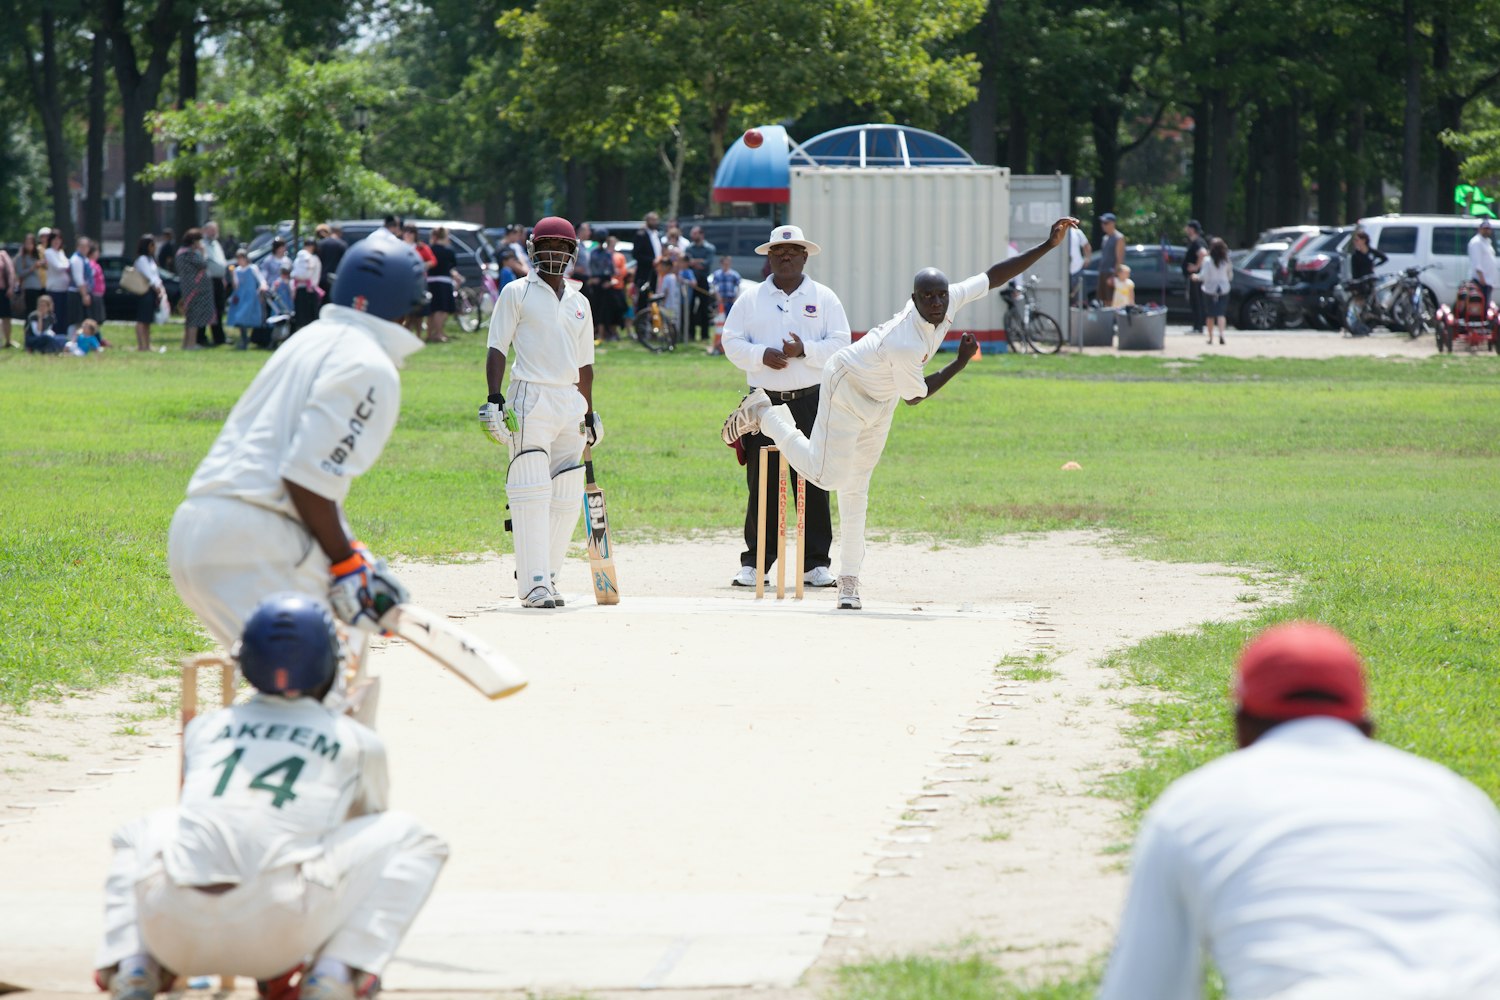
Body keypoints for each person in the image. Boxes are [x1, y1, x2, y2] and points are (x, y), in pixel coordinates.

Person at [1098, 621, 1500, 1000]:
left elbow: (1143, 989)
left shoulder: (1187, 810)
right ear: (1367, 727)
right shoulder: (1457, 800)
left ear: (1241, 726)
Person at [95, 592, 448, 1000]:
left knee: (140, 830)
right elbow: (360, 824)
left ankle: (132, 964)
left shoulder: (205, 728)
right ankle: (335, 973)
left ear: (245, 664)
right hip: (278, 934)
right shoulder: (357, 741)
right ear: (331, 668)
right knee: (413, 838)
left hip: (171, 932)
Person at [722, 218, 1078, 610]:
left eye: (942, 296)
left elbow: (993, 277)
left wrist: (1047, 245)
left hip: (881, 399)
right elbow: (917, 397)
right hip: (845, 386)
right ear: (914, 299)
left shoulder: (947, 299)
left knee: (856, 490)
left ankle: (849, 583)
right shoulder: (905, 343)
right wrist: (959, 364)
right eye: (928, 298)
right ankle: (764, 414)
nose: (938, 304)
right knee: (827, 476)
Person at [166, 232, 430, 651]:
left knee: (277, 687)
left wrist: (351, 549)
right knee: (327, 688)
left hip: (194, 531)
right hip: (255, 543)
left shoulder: (308, 340)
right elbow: (306, 478)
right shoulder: (369, 363)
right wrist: (345, 562)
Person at [719, 224, 849, 591]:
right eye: (779, 252)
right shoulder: (750, 298)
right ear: (769, 257)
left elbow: (841, 341)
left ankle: (815, 564)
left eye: (793, 252)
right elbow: (730, 341)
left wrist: (803, 350)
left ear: (805, 256)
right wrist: (761, 354)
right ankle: (757, 564)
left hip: (810, 399)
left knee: (813, 478)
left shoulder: (824, 298)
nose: (786, 257)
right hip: (764, 404)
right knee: (762, 483)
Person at [478, 216, 599, 609]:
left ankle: (549, 576)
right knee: (531, 489)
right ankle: (531, 585)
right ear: (534, 249)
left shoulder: (580, 301)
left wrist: (590, 413)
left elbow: (586, 366)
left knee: (566, 491)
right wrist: (494, 398)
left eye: (562, 248)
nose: (555, 253)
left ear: (572, 253)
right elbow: (498, 347)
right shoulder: (517, 292)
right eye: (547, 246)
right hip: (530, 396)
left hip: (569, 400)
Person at [176, 229, 217, 351]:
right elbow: (203, 264)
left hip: (191, 288)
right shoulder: (188, 254)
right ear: (193, 241)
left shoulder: (182, 253)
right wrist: (203, 252)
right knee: (194, 317)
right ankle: (191, 344)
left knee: (190, 317)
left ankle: (186, 343)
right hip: (196, 289)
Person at [226, 248, 269, 350]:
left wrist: (263, 286)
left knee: (247, 317)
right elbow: (236, 286)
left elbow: (261, 279)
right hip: (240, 296)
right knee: (240, 318)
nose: (240, 261)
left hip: (250, 296)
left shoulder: (252, 268)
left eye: (242, 258)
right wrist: (232, 275)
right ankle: (244, 339)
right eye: (238, 259)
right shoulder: (237, 270)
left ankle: (249, 339)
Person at [132, 236, 168, 353]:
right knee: (142, 319)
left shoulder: (150, 259)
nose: (154, 248)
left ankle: (147, 344)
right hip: (144, 291)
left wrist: (160, 288)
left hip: (152, 291)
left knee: (147, 320)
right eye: (152, 245)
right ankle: (141, 345)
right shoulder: (142, 260)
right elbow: (149, 276)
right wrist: (157, 287)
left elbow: (156, 276)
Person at [426, 227, 461, 344]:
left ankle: (430, 334)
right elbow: (451, 266)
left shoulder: (430, 249)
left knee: (432, 309)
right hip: (443, 282)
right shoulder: (448, 251)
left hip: (430, 281)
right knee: (441, 309)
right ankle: (439, 333)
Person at [685, 226, 717, 341]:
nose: (692, 236)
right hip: (691, 280)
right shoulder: (689, 247)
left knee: (704, 307)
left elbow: (706, 264)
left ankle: (704, 335)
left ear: (701, 234)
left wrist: (695, 262)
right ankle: (691, 334)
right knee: (690, 307)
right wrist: (699, 261)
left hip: (703, 280)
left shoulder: (709, 248)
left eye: (695, 233)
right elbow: (687, 262)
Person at [1200, 237, 1233, 345]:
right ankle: (1222, 334)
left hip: (1209, 289)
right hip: (1223, 289)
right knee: (1221, 313)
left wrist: (1196, 277)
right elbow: (1230, 276)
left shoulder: (1207, 261)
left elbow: (1204, 276)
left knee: (1210, 315)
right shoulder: (1226, 260)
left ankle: (1210, 338)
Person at [203, 222, 229, 347]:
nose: (213, 232)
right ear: (205, 231)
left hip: (218, 280)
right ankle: (201, 337)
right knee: (208, 309)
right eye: (211, 230)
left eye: (215, 230)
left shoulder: (216, 244)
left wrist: (223, 277)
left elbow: (221, 262)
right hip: (208, 280)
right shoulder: (203, 244)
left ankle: (219, 337)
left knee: (219, 309)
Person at [291, 237, 324, 334]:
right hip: (302, 289)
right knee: (302, 317)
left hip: (309, 289)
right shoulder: (301, 259)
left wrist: (298, 278)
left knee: (309, 317)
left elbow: (307, 274)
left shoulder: (312, 259)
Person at [44, 230, 73, 333]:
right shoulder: (48, 252)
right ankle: (55, 333)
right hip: (54, 288)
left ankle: (62, 334)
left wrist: (68, 264)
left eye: (59, 239)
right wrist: (68, 265)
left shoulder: (61, 252)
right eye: (54, 239)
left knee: (63, 314)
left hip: (64, 288)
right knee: (56, 314)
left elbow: (67, 263)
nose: (57, 241)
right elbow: (58, 266)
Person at [1182, 220, 1207, 334]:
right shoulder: (1193, 242)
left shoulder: (1198, 242)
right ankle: (1197, 325)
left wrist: (1197, 266)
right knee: (1194, 301)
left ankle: (1199, 326)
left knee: (1196, 301)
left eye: (1188, 228)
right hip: (1193, 277)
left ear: (1192, 229)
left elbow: (1203, 253)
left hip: (1196, 277)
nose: (1186, 230)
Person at [1095, 212, 1124, 304]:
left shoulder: (1119, 238)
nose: (1103, 225)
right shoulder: (1105, 238)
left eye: (1106, 223)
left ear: (1113, 223)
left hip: (1111, 273)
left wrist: (1114, 276)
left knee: (1111, 300)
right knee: (1103, 300)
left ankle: (1111, 318)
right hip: (1103, 272)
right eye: (1102, 223)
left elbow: (1119, 259)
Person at [1467, 219, 1498, 307]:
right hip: (1480, 280)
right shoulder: (1476, 242)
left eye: (1488, 229)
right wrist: (1481, 278)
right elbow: (1477, 262)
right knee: (1481, 305)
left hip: (1488, 280)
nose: (1486, 230)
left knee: (1485, 304)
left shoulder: (1486, 242)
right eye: (1484, 228)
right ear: (1479, 229)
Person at [68, 236, 93, 338]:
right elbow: (79, 280)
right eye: (81, 246)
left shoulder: (85, 259)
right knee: (75, 320)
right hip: (76, 293)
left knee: (82, 319)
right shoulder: (76, 259)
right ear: (77, 247)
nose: (84, 249)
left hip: (82, 292)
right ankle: (71, 340)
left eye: (86, 246)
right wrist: (84, 295)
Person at [316, 224, 348, 297]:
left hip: (321, 279)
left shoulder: (320, 244)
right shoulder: (342, 245)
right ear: (339, 233)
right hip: (336, 279)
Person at [1066, 224, 1091, 309]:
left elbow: (1087, 246)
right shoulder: (1057, 232)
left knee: (1080, 300)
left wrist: (1087, 258)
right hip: (1063, 272)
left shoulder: (1077, 232)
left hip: (1077, 270)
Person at [0, 240, 16, 348]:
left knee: (6, 316)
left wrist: (11, 287)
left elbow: (10, 271)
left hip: (2, 290)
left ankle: (8, 340)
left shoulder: (3, 255)